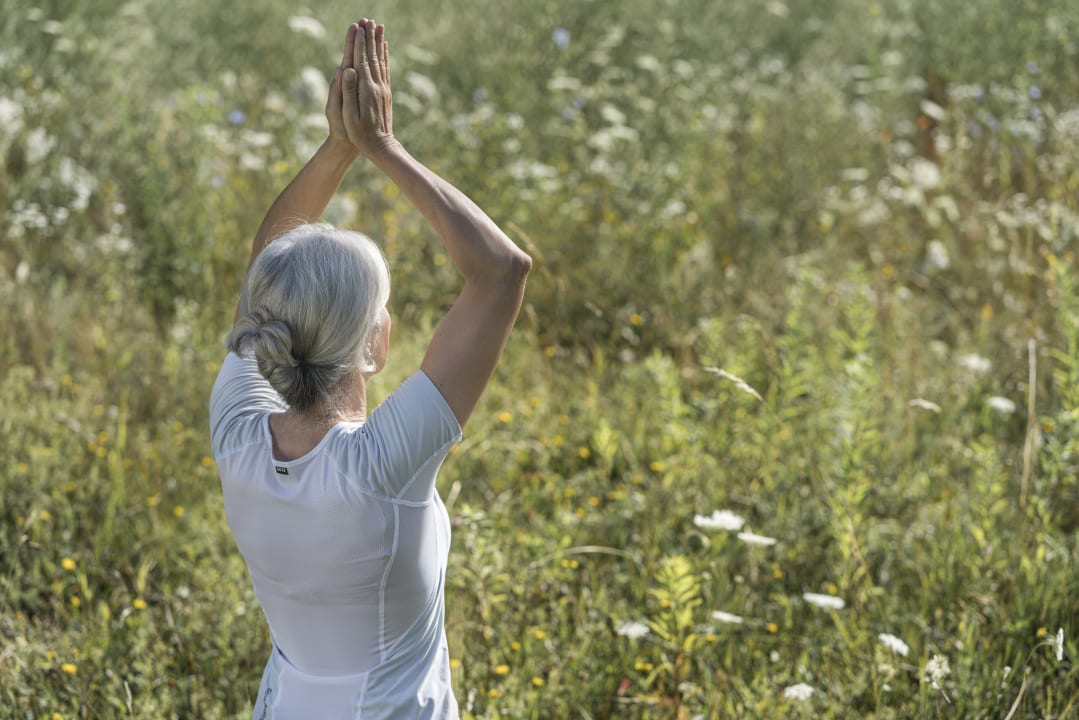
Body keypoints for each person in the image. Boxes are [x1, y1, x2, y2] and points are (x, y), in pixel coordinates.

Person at [208, 18, 531, 719]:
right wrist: (380, 146)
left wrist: (335, 149)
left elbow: (268, 269)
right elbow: (503, 272)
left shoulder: (235, 432)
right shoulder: (382, 468)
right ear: (376, 343)